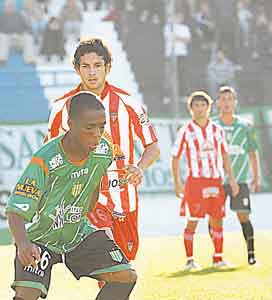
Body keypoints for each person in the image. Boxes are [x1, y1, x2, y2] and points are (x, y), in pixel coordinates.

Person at [6, 92, 137, 300]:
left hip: (79, 233)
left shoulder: (104, 150)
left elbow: (94, 182)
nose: (97, 134)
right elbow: (16, 210)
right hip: (42, 238)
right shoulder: (45, 158)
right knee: (27, 294)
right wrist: (23, 243)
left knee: (125, 275)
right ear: (70, 124)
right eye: (89, 127)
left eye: (101, 126)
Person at [45, 38, 160, 270]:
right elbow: (50, 152)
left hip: (123, 195)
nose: (92, 72)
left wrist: (140, 167)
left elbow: (153, 147)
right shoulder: (61, 107)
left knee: (124, 264)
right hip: (85, 197)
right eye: (85, 66)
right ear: (77, 69)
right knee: (108, 262)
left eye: (97, 65)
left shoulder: (128, 103)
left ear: (108, 67)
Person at [171, 90, 239, 271]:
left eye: (203, 105)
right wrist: (177, 182)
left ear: (209, 108)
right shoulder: (185, 131)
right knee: (193, 220)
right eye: (196, 106)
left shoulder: (217, 130)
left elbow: (224, 155)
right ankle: (190, 260)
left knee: (217, 218)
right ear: (190, 109)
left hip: (215, 181)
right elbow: (175, 157)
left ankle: (218, 258)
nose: (200, 109)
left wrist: (231, 179)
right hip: (196, 182)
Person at [214, 86, 261, 265]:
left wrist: (256, 178)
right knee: (216, 218)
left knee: (243, 216)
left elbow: (252, 152)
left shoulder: (246, 126)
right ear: (218, 103)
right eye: (223, 99)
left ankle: (251, 254)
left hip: (240, 180)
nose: (226, 103)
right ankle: (218, 257)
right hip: (217, 180)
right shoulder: (212, 126)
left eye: (230, 99)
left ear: (235, 102)